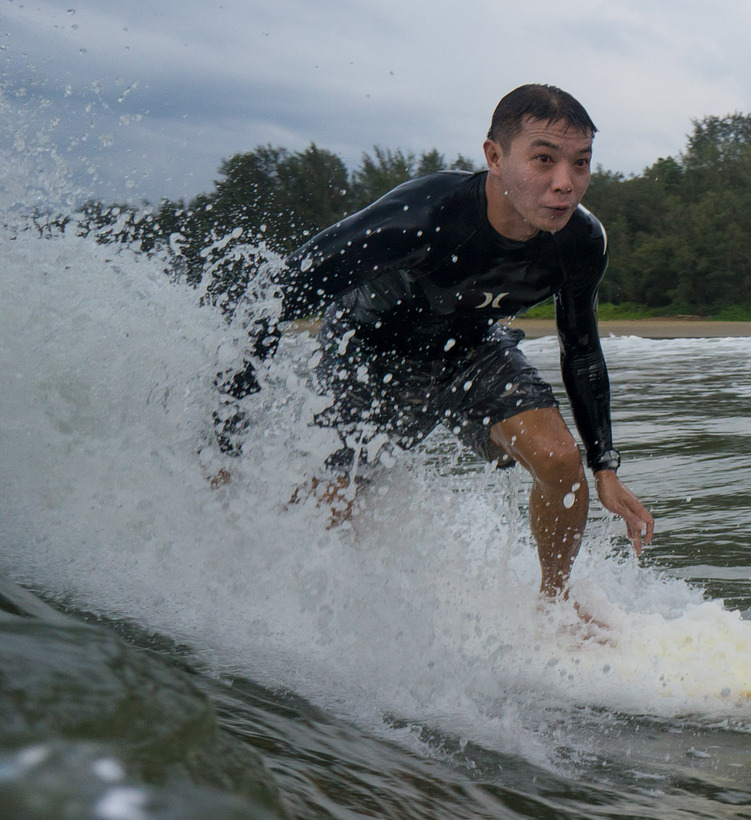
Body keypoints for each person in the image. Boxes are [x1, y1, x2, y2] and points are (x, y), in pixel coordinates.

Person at [222, 84, 653, 613]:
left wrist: (604, 466)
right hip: (368, 351)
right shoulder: (420, 217)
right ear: (494, 156)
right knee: (334, 506)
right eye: (544, 159)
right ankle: (261, 580)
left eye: (581, 163)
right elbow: (269, 301)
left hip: (471, 346)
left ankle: (555, 608)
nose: (565, 184)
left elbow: (582, 349)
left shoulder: (580, 242)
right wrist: (225, 442)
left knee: (561, 459)